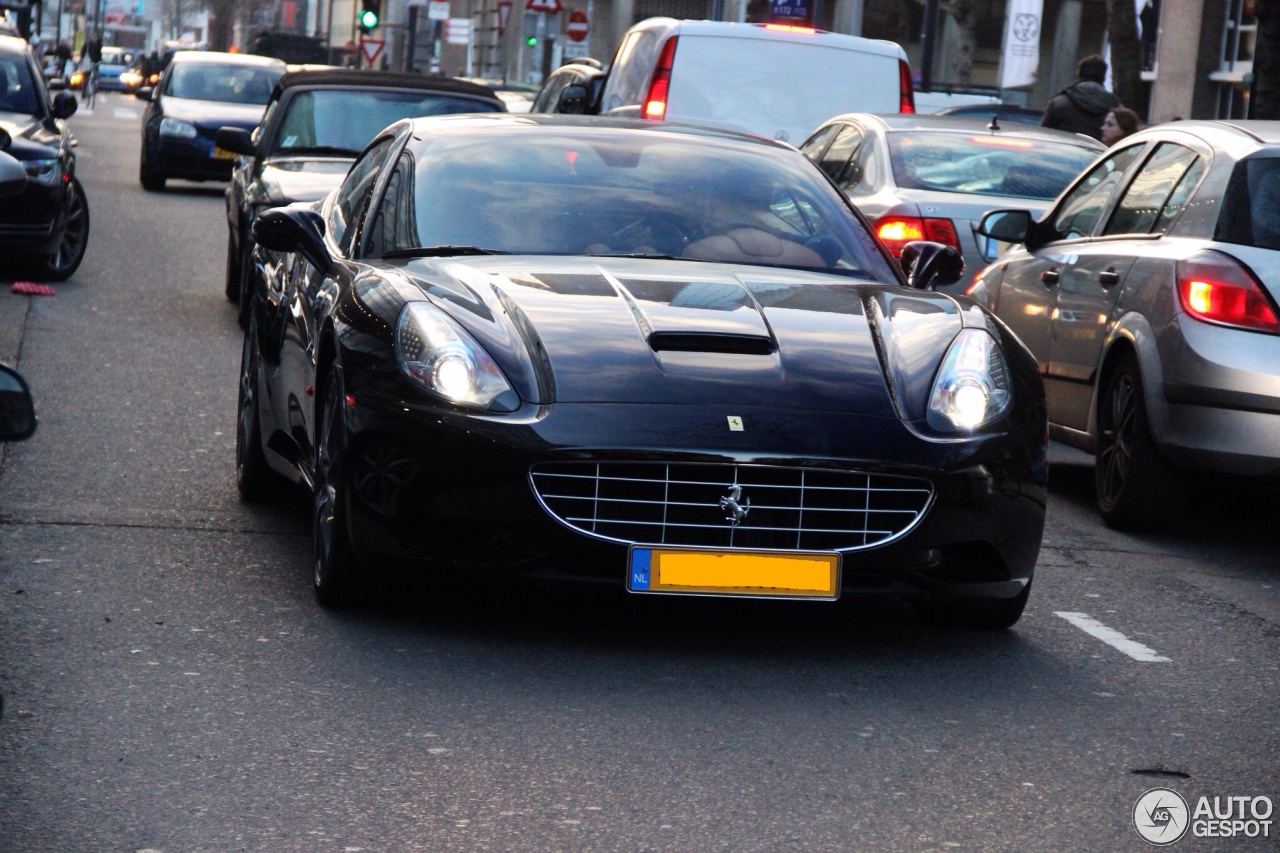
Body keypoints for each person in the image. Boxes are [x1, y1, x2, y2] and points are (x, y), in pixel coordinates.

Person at [1041, 54, 1120, 141]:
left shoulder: (1058, 103)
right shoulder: (1114, 108)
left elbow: (1044, 135)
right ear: (1104, 77)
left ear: (1078, 74)